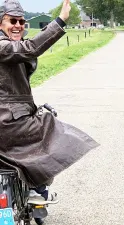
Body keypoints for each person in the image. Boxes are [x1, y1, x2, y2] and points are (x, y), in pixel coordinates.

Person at [0, 0, 99, 205]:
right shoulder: (3, 45)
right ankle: (39, 190)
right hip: (8, 123)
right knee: (49, 126)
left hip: (8, 122)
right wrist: (60, 21)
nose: (18, 25)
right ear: (0, 23)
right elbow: (30, 48)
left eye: (22, 21)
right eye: (12, 21)